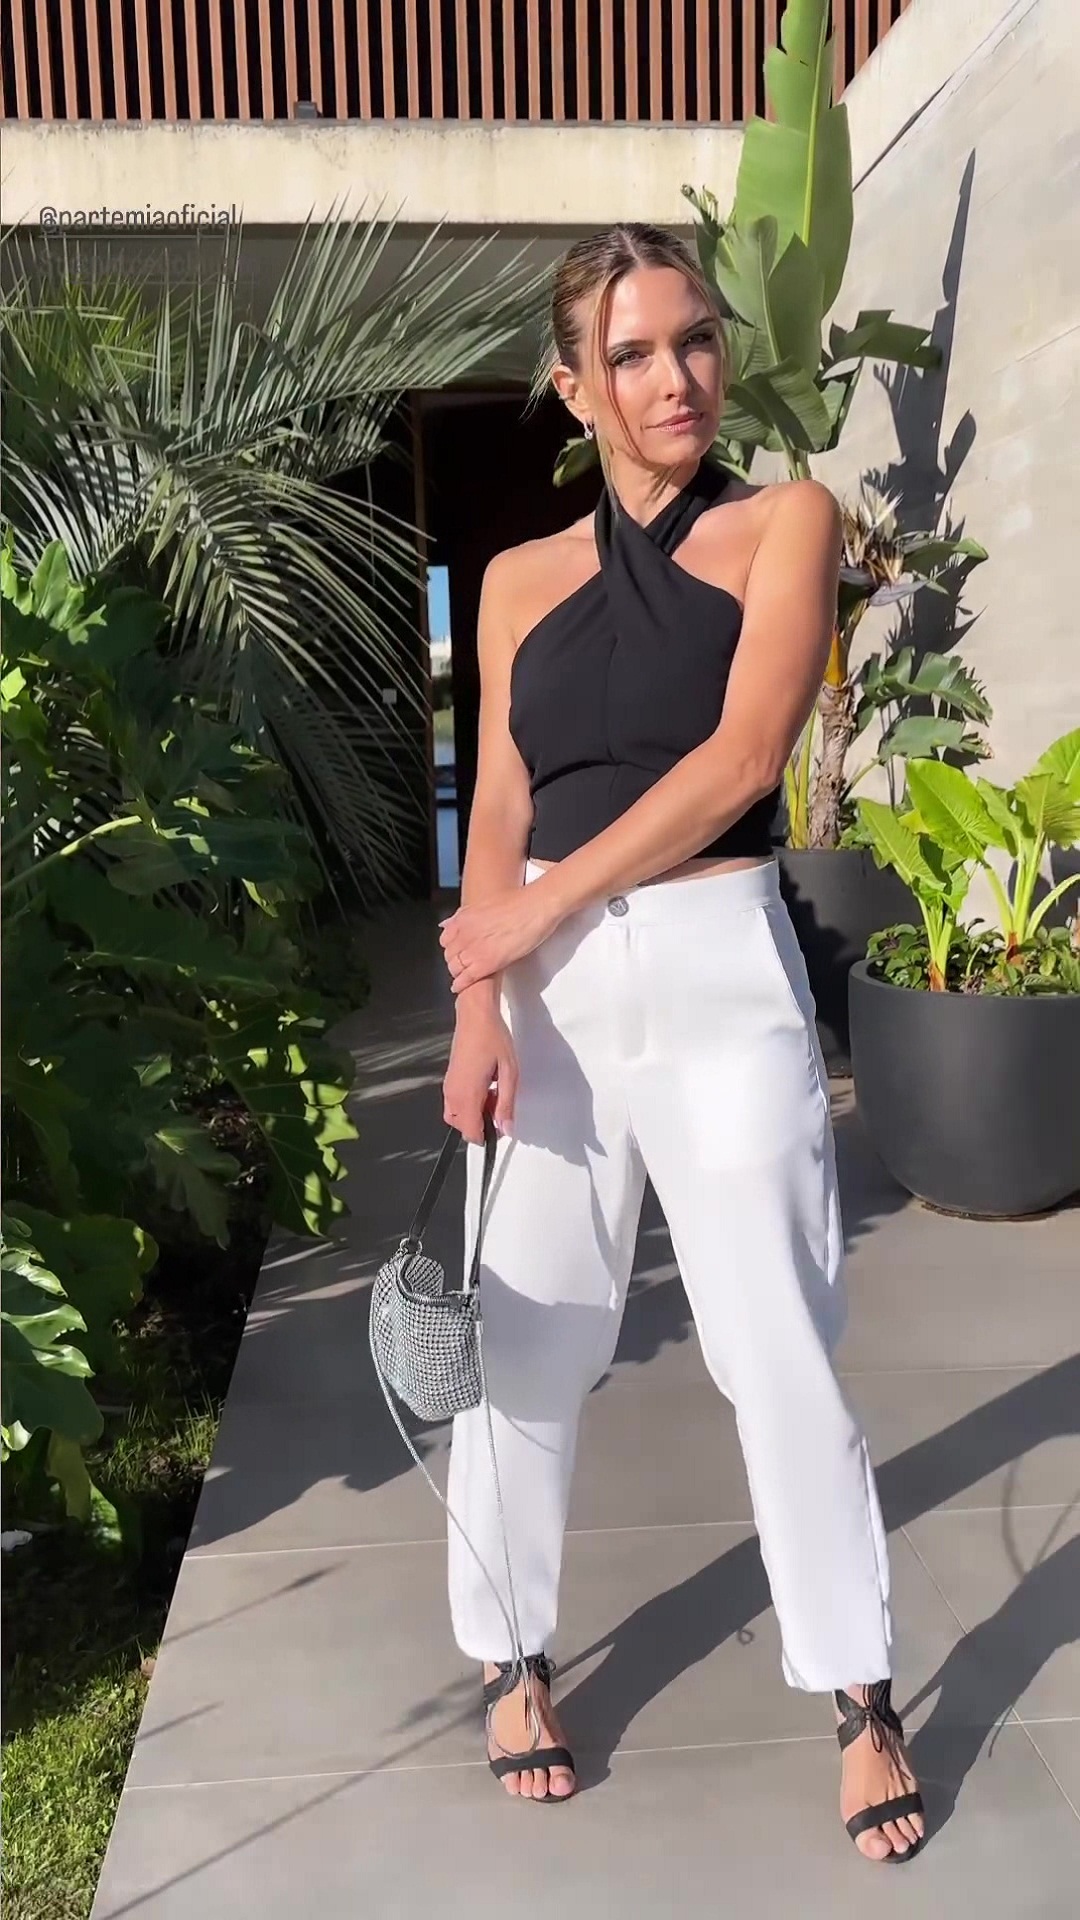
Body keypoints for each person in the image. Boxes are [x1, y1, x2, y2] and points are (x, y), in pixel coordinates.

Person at [436, 223, 925, 1863]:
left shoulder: (785, 522)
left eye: (696, 340)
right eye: (632, 353)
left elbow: (740, 760)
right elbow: (499, 809)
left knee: (776, 1338)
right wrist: (481, 1003)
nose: (676, 377)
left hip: (719, 969)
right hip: (552, 994)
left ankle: (859, 1692)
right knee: (529, 1338)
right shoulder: (516, 582)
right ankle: (511, 1656)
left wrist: (533, 911)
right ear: (574, 387)